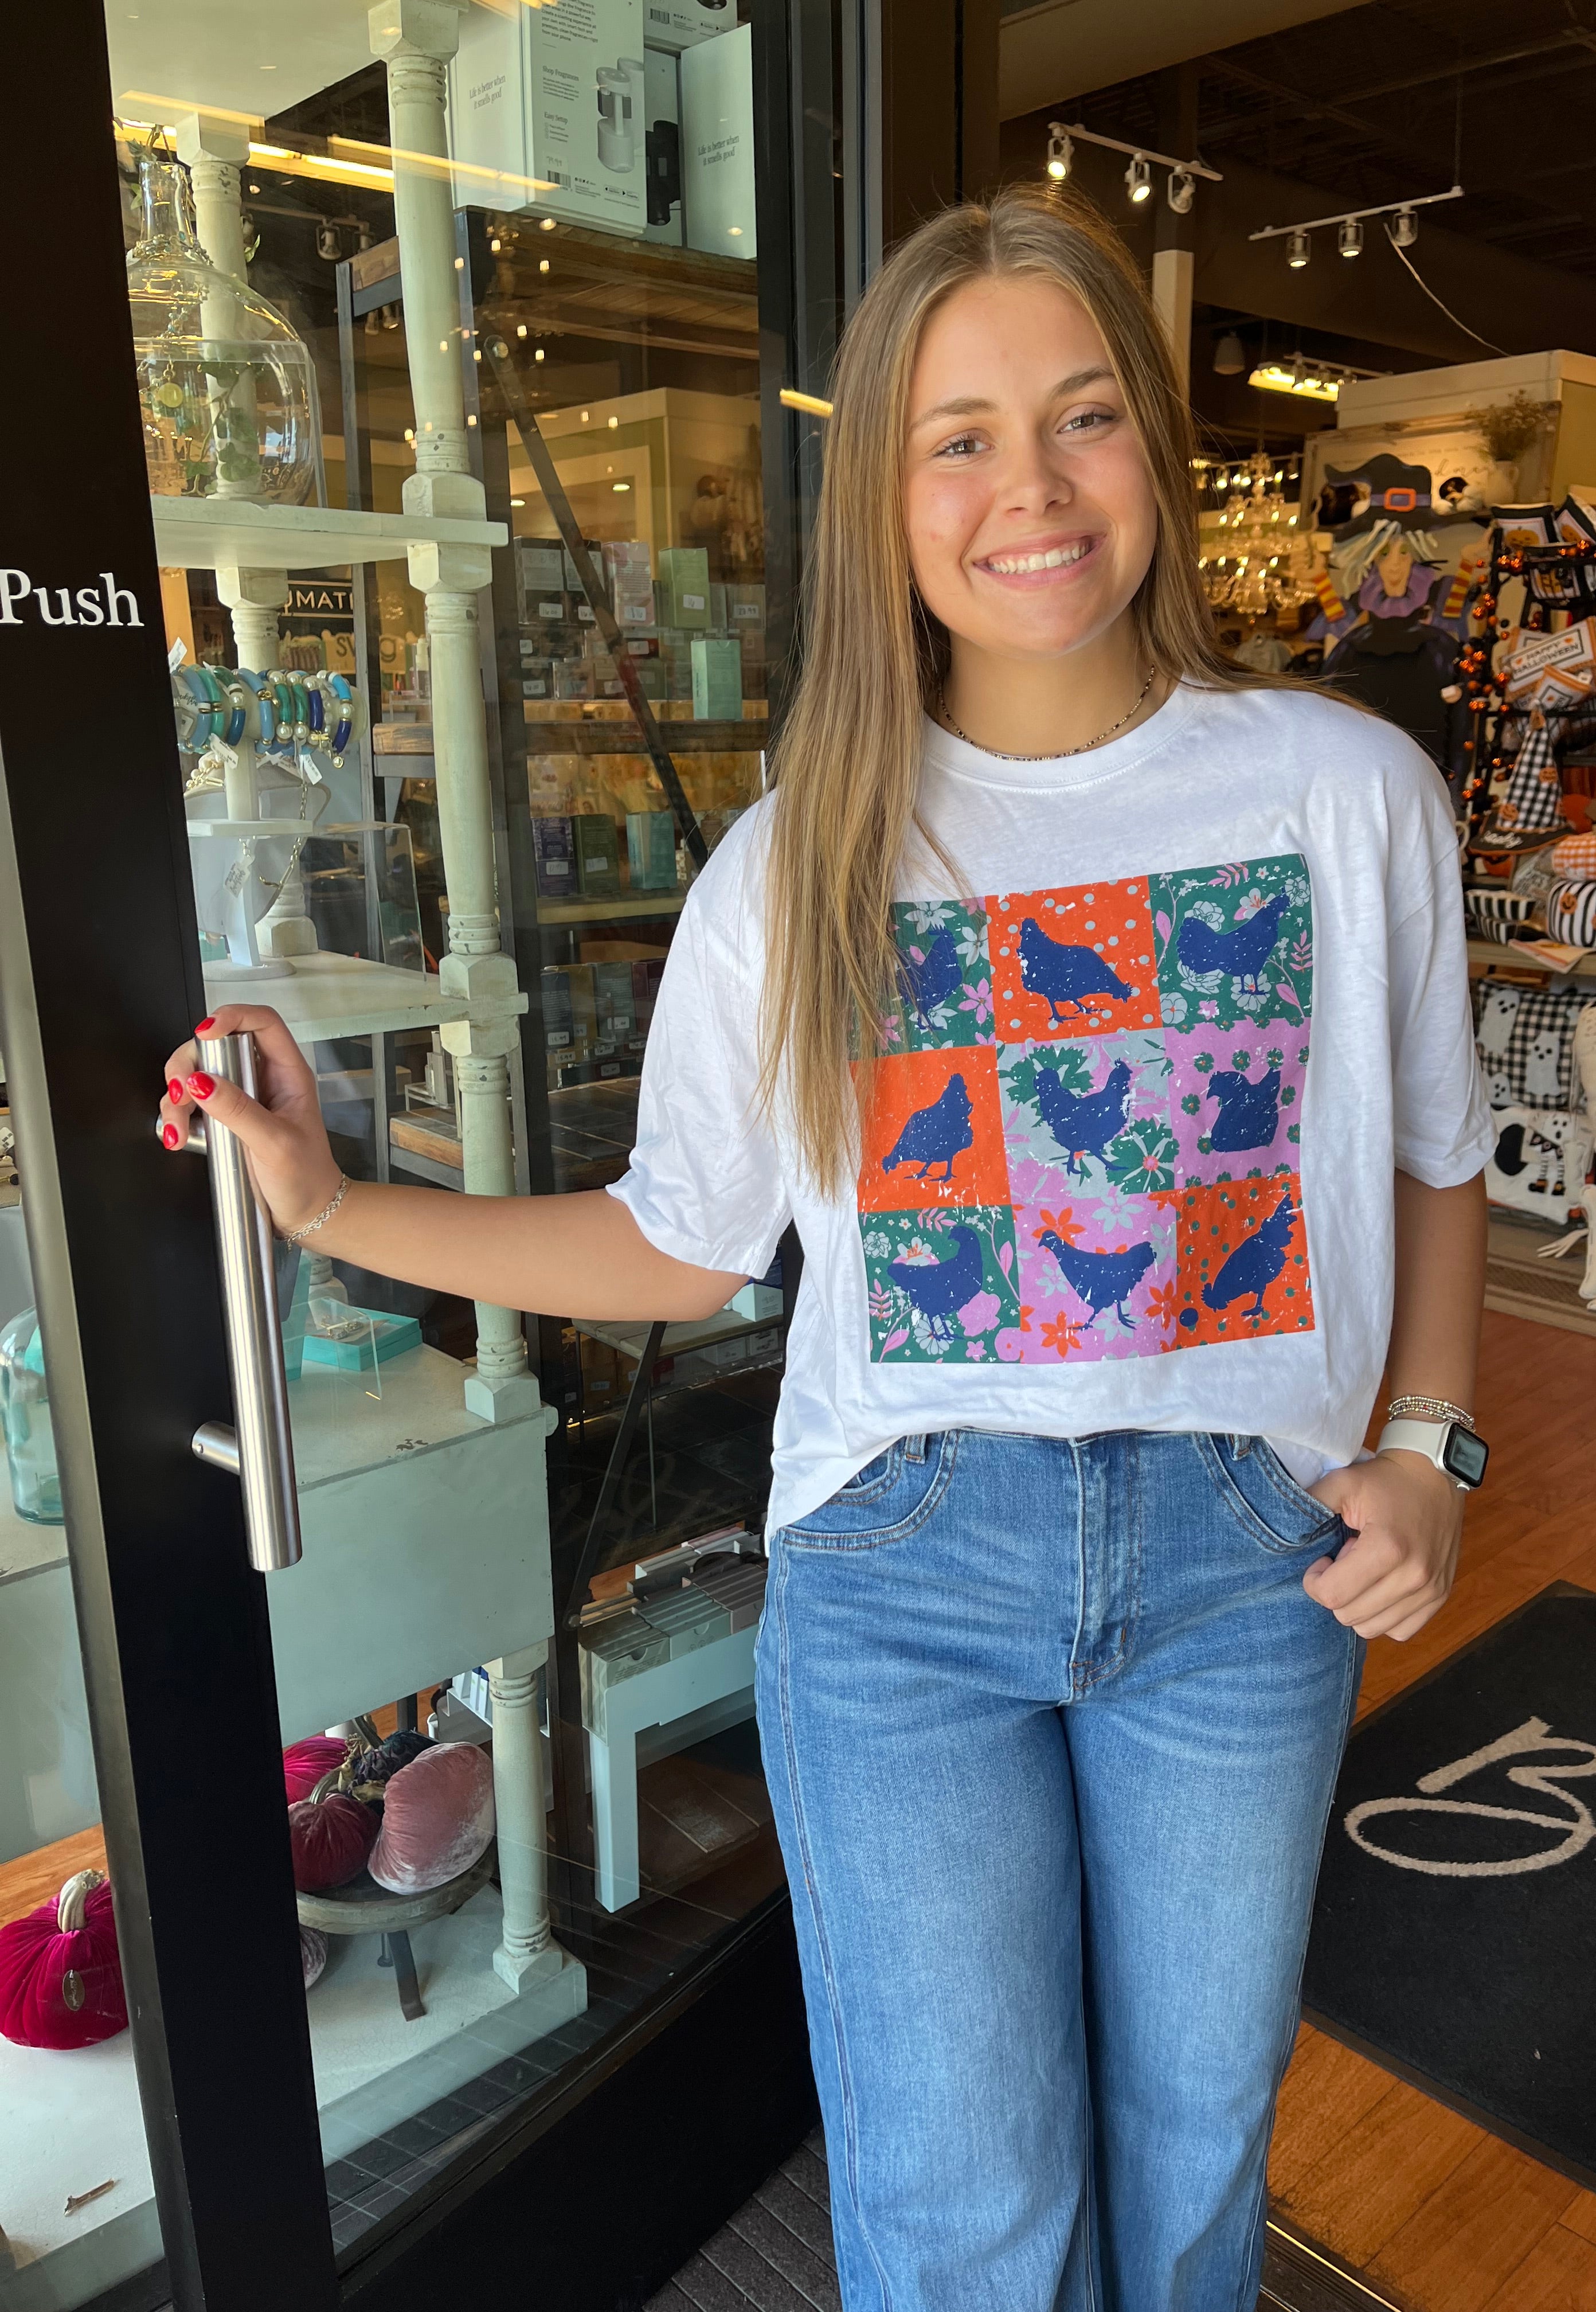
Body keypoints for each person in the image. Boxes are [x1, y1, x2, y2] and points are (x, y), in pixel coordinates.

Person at [161, 186, 1493, 2312]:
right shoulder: (799, 861)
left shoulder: (1349, 795)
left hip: (1253, 1573)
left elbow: (1435, 1153)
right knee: (967, 2215)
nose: (1028, 491)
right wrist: (332, 1209)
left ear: (1153, 440)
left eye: (1080, 418)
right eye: (955, 438)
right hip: (905, 1587)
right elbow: (683, 1249)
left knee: (1189, 2172)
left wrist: (1432, 1443)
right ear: (881, 492)